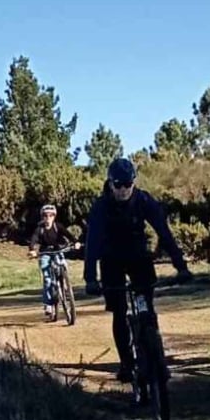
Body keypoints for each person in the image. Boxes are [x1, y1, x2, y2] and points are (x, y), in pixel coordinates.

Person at [84, 158, 192, 382]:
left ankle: (155, 355)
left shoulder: (144, 200)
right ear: (110, 184)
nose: (123, 190)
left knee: (147, 308)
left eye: (127, 184)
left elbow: (164, 232)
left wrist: (181, 266)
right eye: (118, 185)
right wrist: (91, 279)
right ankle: (126, 363)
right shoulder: (101, 206)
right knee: (119, 311)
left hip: (138, 255)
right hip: (111, 258)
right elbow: (92, 243)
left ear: (133, 182)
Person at [27, 204, 75, 322]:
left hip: (57, 251)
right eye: (45, 215)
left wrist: (76, 242)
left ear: (54, 216)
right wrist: (32, 250)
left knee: (63, 264)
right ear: (42, 217)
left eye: (51, 215)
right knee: (48, 279)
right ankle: (48, 304)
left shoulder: (58, 226)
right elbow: (33, 240)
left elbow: (68, 235)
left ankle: (65, 284)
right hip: (44, 253)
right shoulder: (40, 229)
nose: (48, 217)